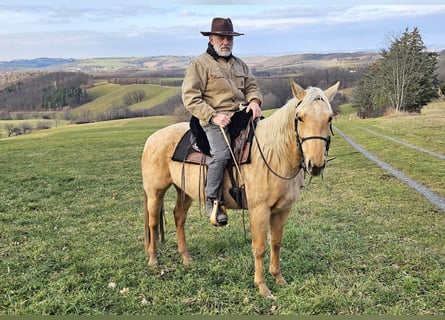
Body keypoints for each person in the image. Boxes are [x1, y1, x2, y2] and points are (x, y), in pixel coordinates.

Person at [182, 17, 263, 226]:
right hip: (212, 118)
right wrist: (212, 116)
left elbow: (251, 86)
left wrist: (254, 101)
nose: (226, 42)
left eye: (229, 38)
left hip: (239, 114)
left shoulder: (239, 64)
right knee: (222, 154)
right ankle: (212, 200)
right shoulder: (199, 64)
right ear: (211, 39)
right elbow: (190, 97)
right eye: (221, 37)